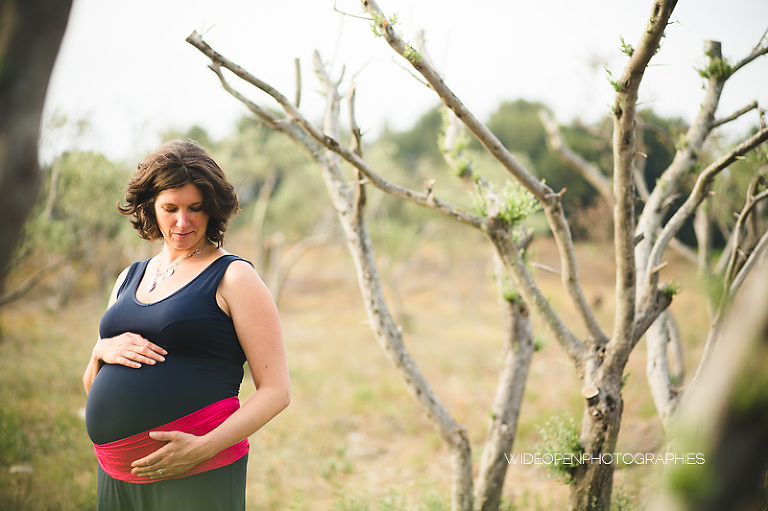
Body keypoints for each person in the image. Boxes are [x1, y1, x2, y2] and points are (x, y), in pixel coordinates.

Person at [83, 139, 290, 510]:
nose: (183, 222)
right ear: (150, 207)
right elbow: (91, 385)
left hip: (197, 473)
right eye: (170, 208)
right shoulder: (129, 277)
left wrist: (200, 448)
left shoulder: (233, 276)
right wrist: (100, 351)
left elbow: (276, 391)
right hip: (116, 476)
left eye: (195, 208)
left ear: (213, 210)